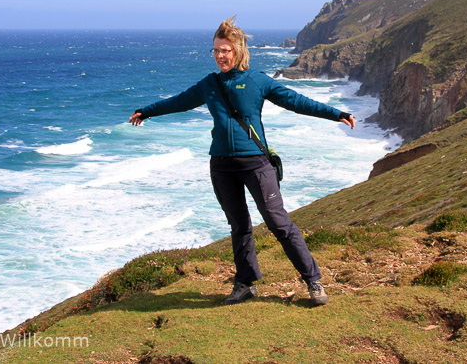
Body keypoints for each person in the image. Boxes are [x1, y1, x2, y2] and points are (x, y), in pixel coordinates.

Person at [129, 17, 356, 306]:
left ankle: (313, 281)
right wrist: (145, 111)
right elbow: (177, 101)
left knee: (278, 223)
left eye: (225, 50)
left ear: (238, 50)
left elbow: (297, 102)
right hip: (221, 166)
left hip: (256, 165)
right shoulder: (209, 85)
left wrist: (336, 113)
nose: (220, 56)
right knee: (239, 226)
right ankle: (245, 283)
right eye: (216, 51)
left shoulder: (257, 81)